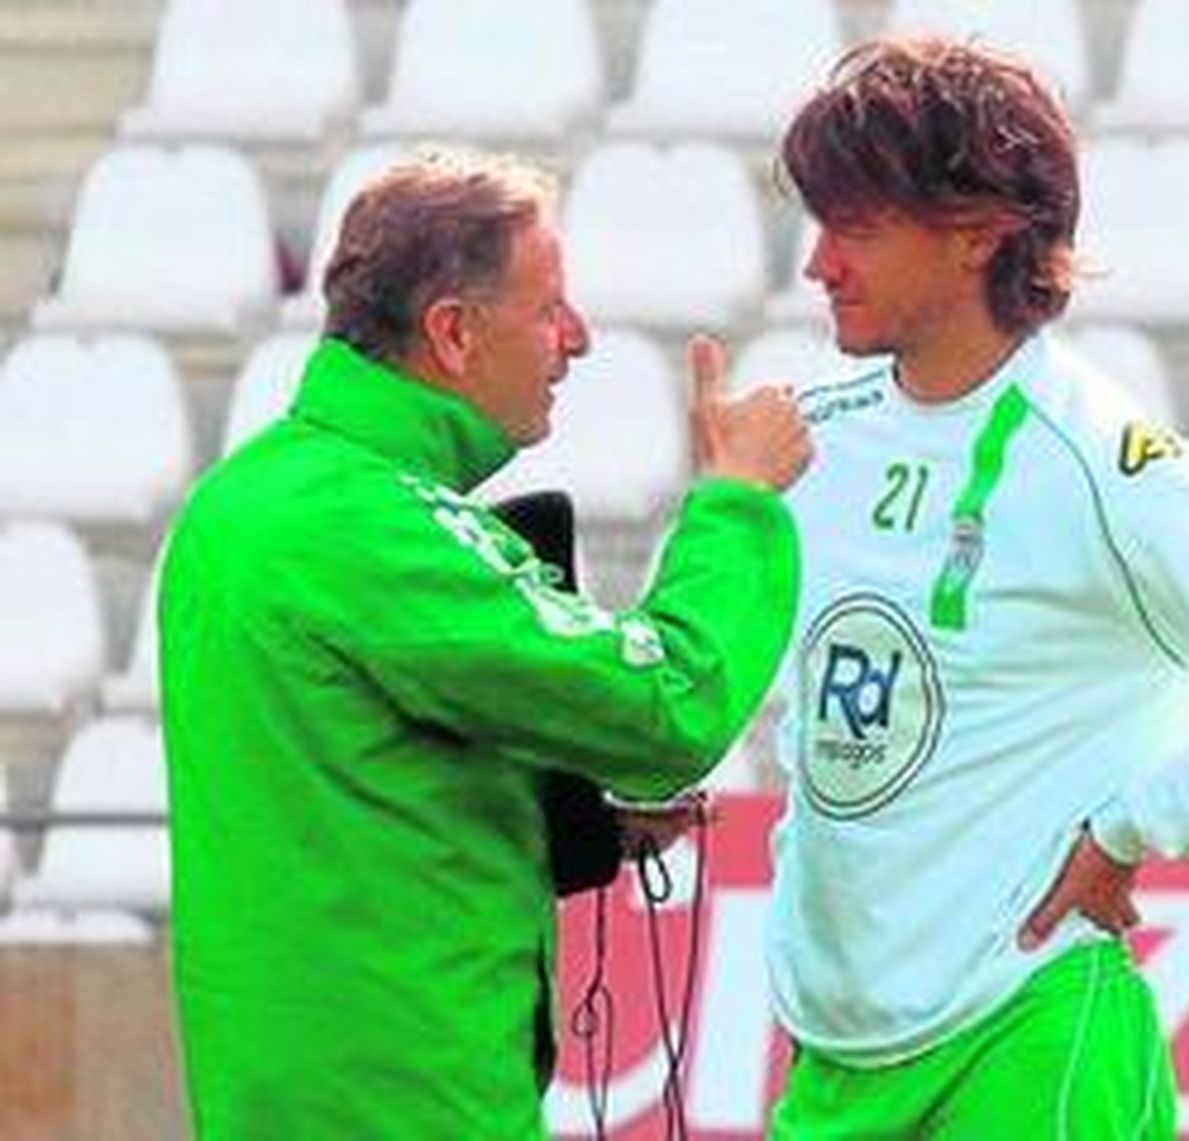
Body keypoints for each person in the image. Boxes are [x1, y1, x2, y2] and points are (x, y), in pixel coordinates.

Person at [764, 37, 1189, 1138]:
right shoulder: (802, 442)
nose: (818, 263)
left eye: (856, 226)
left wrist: (1137, 825)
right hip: (834, 1037)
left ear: (975, 232)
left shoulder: (1101, 460)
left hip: (1024, 1023)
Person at [157, 149, 811, 1139]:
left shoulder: (245, 499)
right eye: (550, 308)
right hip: (408, 1103)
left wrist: (568, 816)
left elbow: (345, 786)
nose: (578, 339)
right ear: (453, 334)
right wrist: (737, 503)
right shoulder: (370, 526)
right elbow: (670, 702)